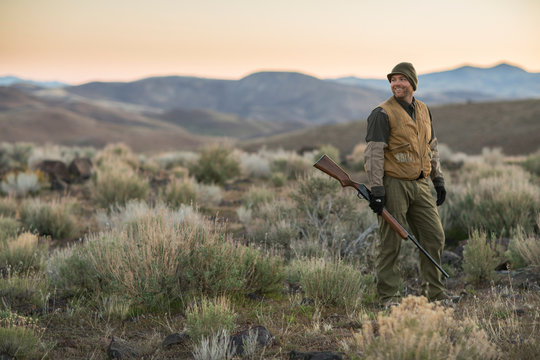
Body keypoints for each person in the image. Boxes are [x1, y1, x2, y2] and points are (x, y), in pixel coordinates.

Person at [364, 62, 452, 307]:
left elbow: (431, 147)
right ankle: (389, 297)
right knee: (391, 242)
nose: (396, 84)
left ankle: (435, 293)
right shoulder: (381, 113)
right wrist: (377, 190)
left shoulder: (423, 110)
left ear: (412, 83)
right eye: (393, 80)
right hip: (393, 185)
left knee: (434, 237)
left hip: (422, 185)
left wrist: (439, 179)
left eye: (402, 79)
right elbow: (373, 154)